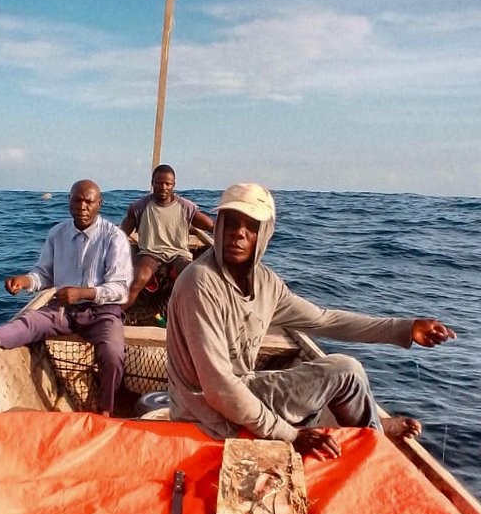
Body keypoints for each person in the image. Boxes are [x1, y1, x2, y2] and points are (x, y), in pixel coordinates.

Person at [166, 183, 456, 459]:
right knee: (319, 403)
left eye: (250, 226)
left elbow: (325, 320)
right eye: (230, 223)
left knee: (348, 371)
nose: (238, 234)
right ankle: (372, 435)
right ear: (217, 227)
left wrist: (405, 328)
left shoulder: (266, 283)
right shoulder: (200, 282)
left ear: (264, 233)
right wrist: (290, 436)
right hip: (204, 413)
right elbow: (219, 389)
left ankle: (372, 439)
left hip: (243, 389)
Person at [0, 180, 132, 416]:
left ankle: (105, 410)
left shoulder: (114, 237)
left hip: (102, 311)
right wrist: (25, 281)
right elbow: (44, 274)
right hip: (63, 308)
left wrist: (82, 293)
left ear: (99, 204)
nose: (82, 206)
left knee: (112, 352)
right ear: (69, 201)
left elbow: (120, 288)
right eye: (77, 200)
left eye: (89, 201)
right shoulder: (57, 233)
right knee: (31, 321)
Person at [119, 164, 214, 309]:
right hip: (150, 253)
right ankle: (114, 313)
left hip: (179, 254)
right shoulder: (140, 207)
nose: (163, 187)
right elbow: (120, 235)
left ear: (173, 185)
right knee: (139, 276)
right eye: (159, 182)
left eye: (168, 183)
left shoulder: (186, 207)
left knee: (196, 277)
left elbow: (211, 226)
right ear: (152, 183)